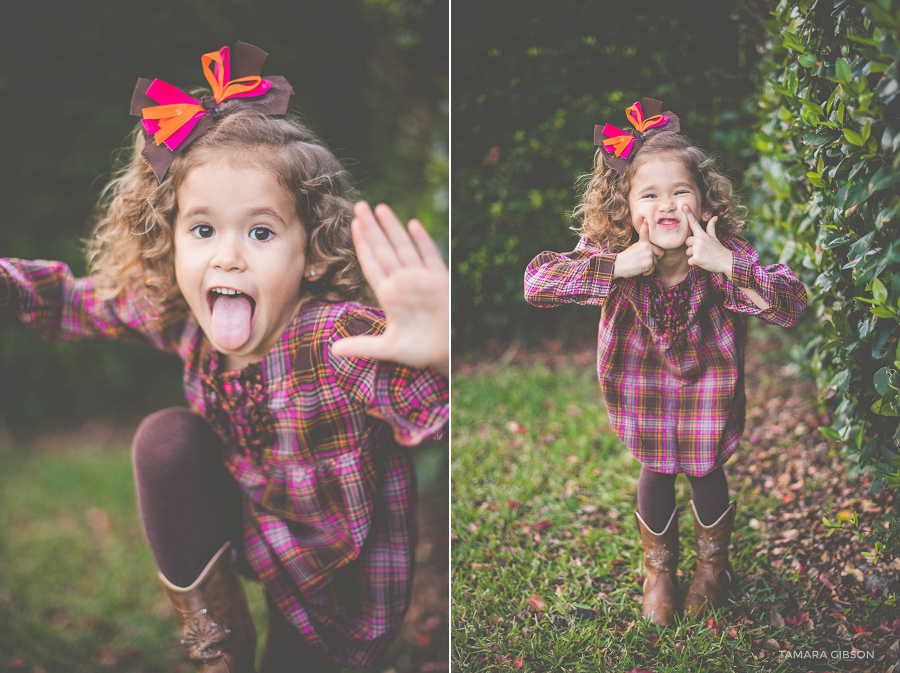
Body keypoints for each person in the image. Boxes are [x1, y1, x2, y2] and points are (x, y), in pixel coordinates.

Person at [0, 42, 448, 671]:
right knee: (165, 438)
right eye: (203, 229)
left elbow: (439, 414)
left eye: (261, 232)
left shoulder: (337, 337)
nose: (228, 256)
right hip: (248, 526)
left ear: (312, 250)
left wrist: (444, 359)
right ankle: (217, 645)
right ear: (170, 239)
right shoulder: (185, 319)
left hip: (336, 583)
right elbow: (79, 302)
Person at [524, 99, 806, 626]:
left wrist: (731, 267)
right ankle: (659, 574)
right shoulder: (614, 254)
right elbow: (536, 284)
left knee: (706, 471)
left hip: (708, 394)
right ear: (625, 208)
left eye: (681, 191)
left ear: (703, 200)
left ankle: (712, 570)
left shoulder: (723, 256)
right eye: (649, 194)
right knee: (654, 470)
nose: (667, 204)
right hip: (642, 390)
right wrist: (614, 267)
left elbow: (792, 306)